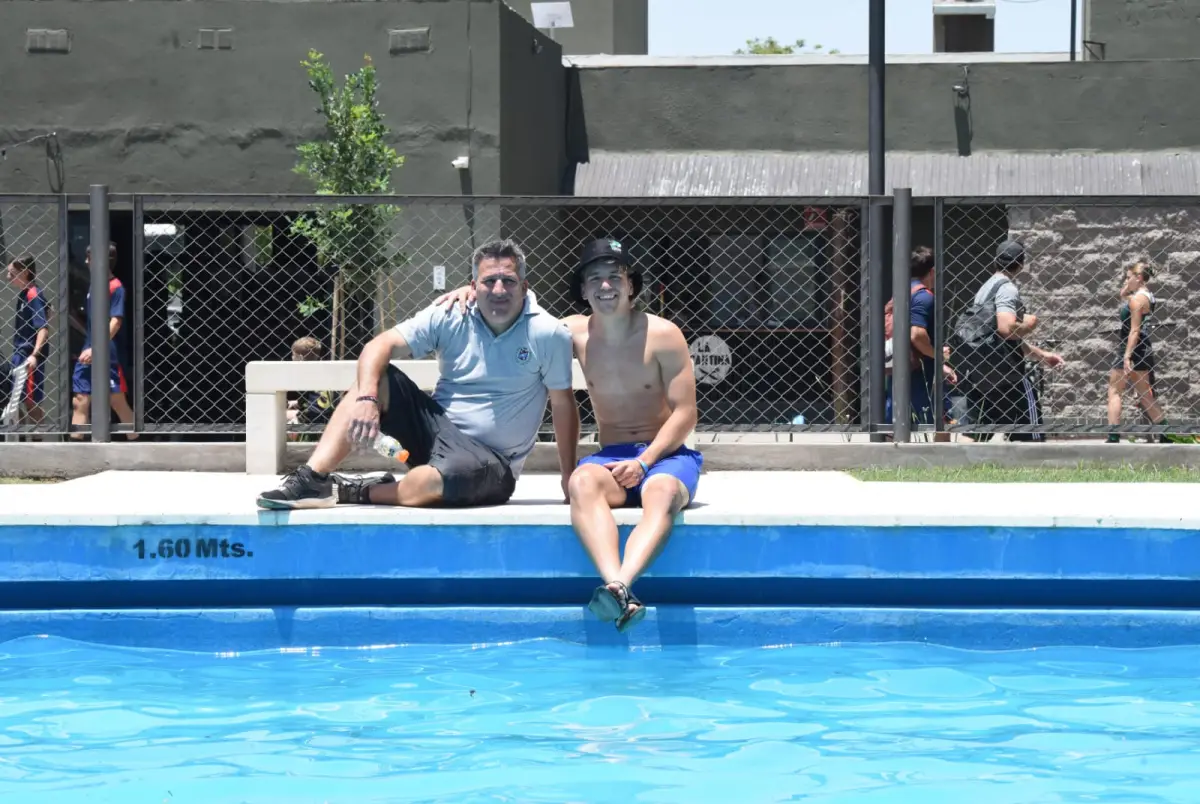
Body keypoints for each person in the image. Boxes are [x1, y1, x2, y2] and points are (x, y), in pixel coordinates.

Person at [435, 238, 700, 633]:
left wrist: (645, 461)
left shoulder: (664, 334)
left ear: (632, 285)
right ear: (583, 289)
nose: (605, 286)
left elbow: (686, 413)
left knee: (660, 492)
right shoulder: (572, 332)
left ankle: (623, 583)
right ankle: (616, 588)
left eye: (615, 277)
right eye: (595, 278)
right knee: (580, 482)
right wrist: (471, 290)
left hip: (665, 456)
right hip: (613, 455)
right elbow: (515, 305)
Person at [256, 239, 579, 510]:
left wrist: (568, 478)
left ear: (524, 286)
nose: (498, 289)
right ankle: (313, 479)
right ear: (473, 286)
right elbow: (378, 345)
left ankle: (350, 491)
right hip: (436, 433)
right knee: (376, 377)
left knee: (434, 481)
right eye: (488, 281)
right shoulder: (450, 313)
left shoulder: (547, 334)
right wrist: (368, 398)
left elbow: (563, 406)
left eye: (508, 281)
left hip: (491, 463)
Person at [955, 240, 1063, 442]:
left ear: (996, 261)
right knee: (1030, 427)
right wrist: (1030, 324)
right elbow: (1006, 329)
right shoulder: (1007, 289)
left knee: (977, 429)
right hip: (1008, 372)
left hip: (983, 370)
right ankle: (1032, 460)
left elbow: (997, 335)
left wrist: (1041, 355)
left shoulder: (986, 288)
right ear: (1021, 264)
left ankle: (962, 465)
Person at [1104, 262, 1189, 444]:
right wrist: (1128, 284)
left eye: (1128, 277)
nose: (1126, 281)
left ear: (1139, 277)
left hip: (1130, 346)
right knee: (1145, 395)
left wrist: (1126, 356)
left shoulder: (1136, 300)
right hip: (1143, 348)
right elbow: (1122, 294)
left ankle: (1113, 436)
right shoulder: (1148, 296)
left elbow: (1134, 330)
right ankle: (1166, 433)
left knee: (1115, 391)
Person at [884, 246, 958, 441]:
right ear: (932, 271)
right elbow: (916, 335)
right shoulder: (924, 296)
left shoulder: (901, 293)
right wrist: (937, 354)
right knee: (940, 420)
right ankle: (942, 463)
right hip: (922, 373)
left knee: (896, 420)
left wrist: (940, 365)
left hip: (900, 365)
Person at [71, 242, 138, 440]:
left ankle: (136, 443)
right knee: (80, 399)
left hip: (107, 354)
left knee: (116, 401)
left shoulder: (116, 287)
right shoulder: (95, 285)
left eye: (89, 258)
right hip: (88, 350)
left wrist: (95, 348)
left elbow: (115, 322)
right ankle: (76, 451)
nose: (85, 261)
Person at [6, 255, 49, 427]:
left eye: (12, 273)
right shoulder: (24, 295)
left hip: (28, 356)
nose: (8, 277)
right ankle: (23, 435)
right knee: (15, 400)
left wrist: (35, 354)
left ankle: (38, 440)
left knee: (31, 402)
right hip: (19, 354)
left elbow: (43, 328)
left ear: (24, 272)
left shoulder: (33, 294)